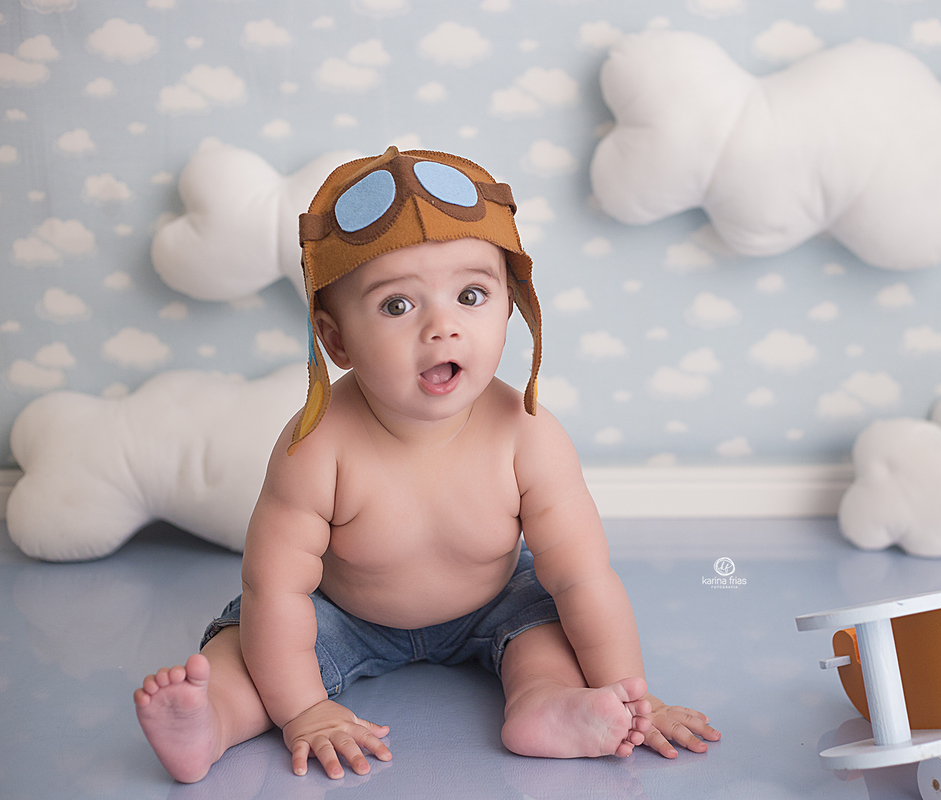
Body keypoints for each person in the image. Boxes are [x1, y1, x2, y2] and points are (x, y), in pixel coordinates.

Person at [133, 147, 720, 783]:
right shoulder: (317, 444)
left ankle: (545, 704)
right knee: (251, 645)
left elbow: (583, 578)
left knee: (546, 626)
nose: (443, 327)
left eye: (471, 294)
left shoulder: (528, 435)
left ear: (511, 306)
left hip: (493, 604)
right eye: (396, 305)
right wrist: (305, 711)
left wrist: (636, 695)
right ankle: (209, 719)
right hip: (344, 615)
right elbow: (275, 588)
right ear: (336, 340)